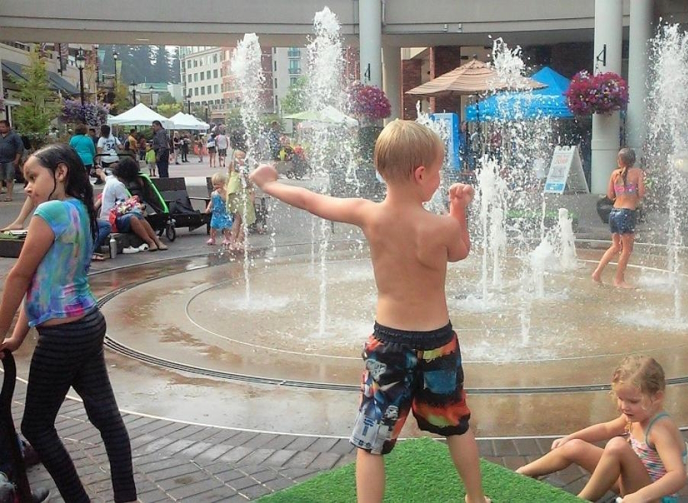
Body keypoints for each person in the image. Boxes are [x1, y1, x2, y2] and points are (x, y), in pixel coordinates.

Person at [250, 120, 489, 503]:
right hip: (438, 342)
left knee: (371, 440)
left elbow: (312, 202)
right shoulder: (441, 226)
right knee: (457, 424)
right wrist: (459, 209)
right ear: (421, 173)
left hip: (389, 343)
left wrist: (268, 183)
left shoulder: (368, 214)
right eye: (439, 171)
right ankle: (476, 499)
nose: (441, 179)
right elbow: (460, 250)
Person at [0, 144, 137, 503]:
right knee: (106, 417)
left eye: (33, 177)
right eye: (25, 179)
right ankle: (128, 497)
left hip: (62, 335)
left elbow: (19, 278)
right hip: (88, 323)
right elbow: (44, 281)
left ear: (60, 172)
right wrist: (16, 336)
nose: (27, 187)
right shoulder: (79, 208)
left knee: (36, 427)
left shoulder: (49, 212)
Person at [516, 355, 687, 502]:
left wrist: (641, 496)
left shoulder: (659, 430)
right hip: (630, 485)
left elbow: (677, 475)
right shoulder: (638, 414)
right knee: (575, 446)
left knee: (617, 445)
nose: (623, 406)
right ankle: (523, 473)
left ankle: (580, 500)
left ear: (657, 397)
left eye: (632, 401)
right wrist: (570, 438)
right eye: (620, 398)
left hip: (653, 499)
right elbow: (606, 429)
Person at [591, 147, 645, 288]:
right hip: (627, 213)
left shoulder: (615, 174)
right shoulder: (638, 173)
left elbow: (610, 195)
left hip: (614, 213)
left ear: (620, 161)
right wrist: (631, 193)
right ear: (633, 160)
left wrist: (622, 193)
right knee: (627, 249)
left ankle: (597, 273)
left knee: (615, 246)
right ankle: (619, 280)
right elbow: (641, 194)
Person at [99, 157, 169, 251]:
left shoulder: (112, 179)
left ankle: (154, 242)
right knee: (134, 217)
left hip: (109, 216)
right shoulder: (118, 185)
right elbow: (127, 206)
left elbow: (105, 177)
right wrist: (140, 207)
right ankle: (152, 241)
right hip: (112, 220)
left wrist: (100, 172)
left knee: (136, 215)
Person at [226, 150, 255, 250]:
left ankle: (232, 243)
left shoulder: (232, 167)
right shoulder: (241, 168)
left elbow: (228, 178)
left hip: (232, 192)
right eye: (240, 157)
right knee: (246, 218)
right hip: (240, 192)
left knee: (238, 218)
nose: (241, 160)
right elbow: (247, 180)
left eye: (243, 157)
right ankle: (239, 242)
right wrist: (252, 191)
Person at [204, 171, 232, 246]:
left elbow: (226, 200)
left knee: (226, 226)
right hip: (216, 213)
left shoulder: (225, 192)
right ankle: (212, 238)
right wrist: (208, 208)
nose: (216, 186)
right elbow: (211, 201)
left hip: (225, 212)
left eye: (218, 184)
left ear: (223, 184)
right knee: (213, 226)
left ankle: (227, 238)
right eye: (214, 184)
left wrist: (221, 195)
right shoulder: (213, 193)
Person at [0, 120, 24, 202]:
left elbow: (19, 147)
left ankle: (9, 195)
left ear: (8, 127)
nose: (1, 128)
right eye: (0, 127)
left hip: (10, 160)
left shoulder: (14, 136)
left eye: (3, 127)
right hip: (0, 160)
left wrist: (17, 159)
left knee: (9, 178)